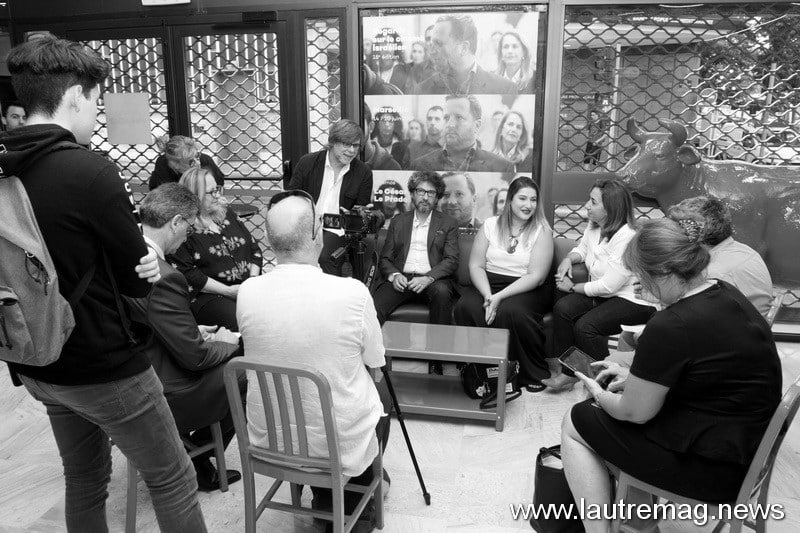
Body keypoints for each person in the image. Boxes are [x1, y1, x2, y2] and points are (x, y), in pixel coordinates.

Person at [1, 37, 206, 531]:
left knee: (85, 478)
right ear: (76, 95)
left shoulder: (5, 164)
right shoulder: (89, 170)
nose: (96, 114)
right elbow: (136, 281)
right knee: (174, 478)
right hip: (102, 364)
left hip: (33, 356)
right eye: (96, 101)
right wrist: (146, 264)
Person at [561, 218, 782, 533]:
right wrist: (632, 374)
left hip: (714, 472)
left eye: (641, 276)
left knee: (578, 419)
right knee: (613, 411)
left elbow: (633, 413)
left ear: (663, 273)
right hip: (744, 449)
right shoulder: (724, 292)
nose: (639, 286)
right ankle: (638, 520)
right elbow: (701, 367)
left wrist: (599, 393)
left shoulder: (672, 324)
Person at [237, 189, 391, 530]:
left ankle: (325, 493)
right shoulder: (352, 293)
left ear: (270, 241)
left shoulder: (247, 291)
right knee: (381, 394)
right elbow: (376, 363)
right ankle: (352, 498)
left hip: (271, 438)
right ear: (317, 236)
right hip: (335, 446)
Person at [126, 183, 247, 493]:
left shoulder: (126, 254)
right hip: (162, 388)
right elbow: (195, 357)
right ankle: (196, 458)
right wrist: (227, 344)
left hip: (133, 370)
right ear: (176, 222)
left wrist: (196, 331)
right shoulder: (164, 275)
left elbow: (151, 321)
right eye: (189, 228)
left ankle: (190, 452)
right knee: (243, 372)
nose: (187, 237)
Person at [544, 179, 657, 391]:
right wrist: (568, 259)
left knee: (586, 327)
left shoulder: (627, 236)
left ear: (610, 208)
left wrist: (572, 288)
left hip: (633, 299)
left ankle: (606, 380)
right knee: (563, 309)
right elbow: (582, 250)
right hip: (604, 295)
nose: (587, 205)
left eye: (593, 202)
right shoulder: (595, 226)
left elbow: (608, 286)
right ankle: (570, 371)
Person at [454, 176, 554, 390]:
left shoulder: (542, 230)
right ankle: (479, 369)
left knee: (511, 312)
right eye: (522, 198)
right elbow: (476, 266)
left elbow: (536, 276)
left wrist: (498, 297)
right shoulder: (490, 225)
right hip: (489, 282)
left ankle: (529, 373)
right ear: (510, 200)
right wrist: (488, 295)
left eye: (533, 200)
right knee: (467, 306)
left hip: (526, 285)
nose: (528, 205)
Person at [170, 167, 262, 331]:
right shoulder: (184, 227)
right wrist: (228, 291)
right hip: (210, 296)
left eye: (217, 189)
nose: (218, 195)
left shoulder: (227, 213)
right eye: (211, 192)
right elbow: (188, 273)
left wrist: (252, 281)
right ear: (194, 196)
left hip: (248, 287)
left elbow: (254, 249)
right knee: (242, 321)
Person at [287, 119, 373, 276]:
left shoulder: (363, 172)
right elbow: (292, 198)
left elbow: (361, 213)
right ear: (333, 141)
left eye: (355, 146)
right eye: (346, 144)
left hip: (338, 229)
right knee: (293, 255)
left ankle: (330, 291)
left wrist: (360, 213)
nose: (351, 150)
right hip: (306, 225)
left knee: (326, 256)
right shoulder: (308, 163)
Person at [373, 171, 459, 326]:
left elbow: (451, 260)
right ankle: (377, 343)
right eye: (420, 191)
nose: (425, 197)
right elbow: (385, 258)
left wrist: (428, 278)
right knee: (375, 307)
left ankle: (438, 341)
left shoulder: (448, 223)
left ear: (437, 198)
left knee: (442, 293)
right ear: (412, 194)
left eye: (431, 193)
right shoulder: (398, 221)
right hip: (403, 279)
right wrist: (395, 275)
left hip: (433, 280)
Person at [668, 195, 773, 318]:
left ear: (695, 234)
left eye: (677, 229)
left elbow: (685, 317)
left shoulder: (713, 275)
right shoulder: (744, 250)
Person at [411, 14, 517, 95]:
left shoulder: (505, 89)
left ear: (463, 48)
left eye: (439, 43)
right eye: (431, 44)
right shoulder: (422, 89)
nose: (431, 51)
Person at [411, 95, 515, 173]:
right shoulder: (420, 164)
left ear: (477, 125)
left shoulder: (502, 167)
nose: (450, 124)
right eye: (446, 117)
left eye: (459, 117)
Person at [148, 135, 224, 191]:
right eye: (191, 161)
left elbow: (219, 185)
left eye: (197, 156)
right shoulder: (163, 164)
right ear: (175, 165)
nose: (197, 162)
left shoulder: (205, 160)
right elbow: (163, 196)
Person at [363, 103, 401, 171]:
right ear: (378, 125)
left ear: (371, 127)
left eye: (390, 121)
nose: (387, 124)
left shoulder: (392, 166)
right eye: (383, 121)